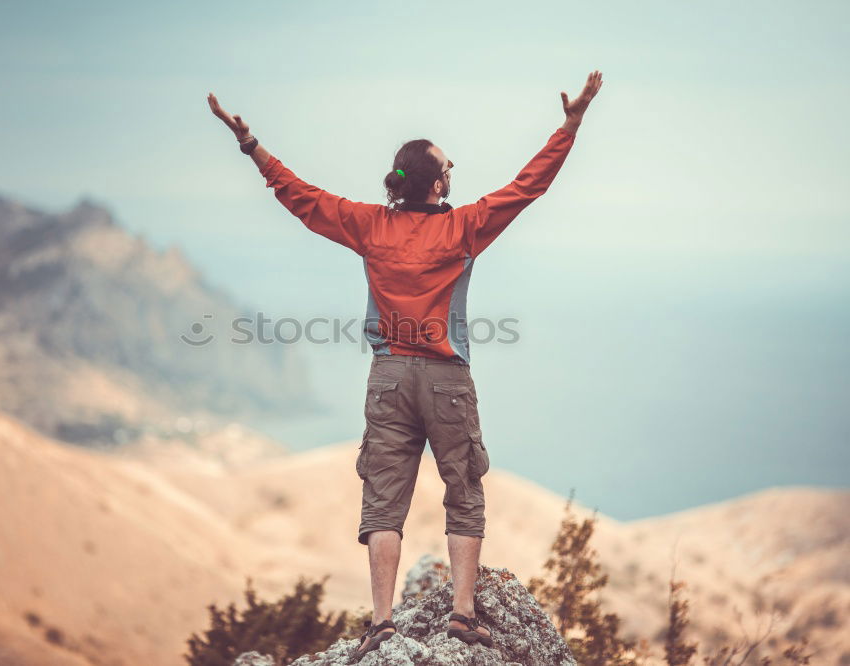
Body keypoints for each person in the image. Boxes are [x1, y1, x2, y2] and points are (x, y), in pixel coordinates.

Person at [207, 70, 603, 658]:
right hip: (446, 380)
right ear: (437, 183)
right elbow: (528, 185)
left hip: (388, 377)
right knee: (463, 490)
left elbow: (302, 198)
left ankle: (383, 622)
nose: (453, 173)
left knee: (384, 499)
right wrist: (570, 124)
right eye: (450, 167)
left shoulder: (370, 225)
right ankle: (463, 617)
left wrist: (250, 145)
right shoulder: (465, 227)